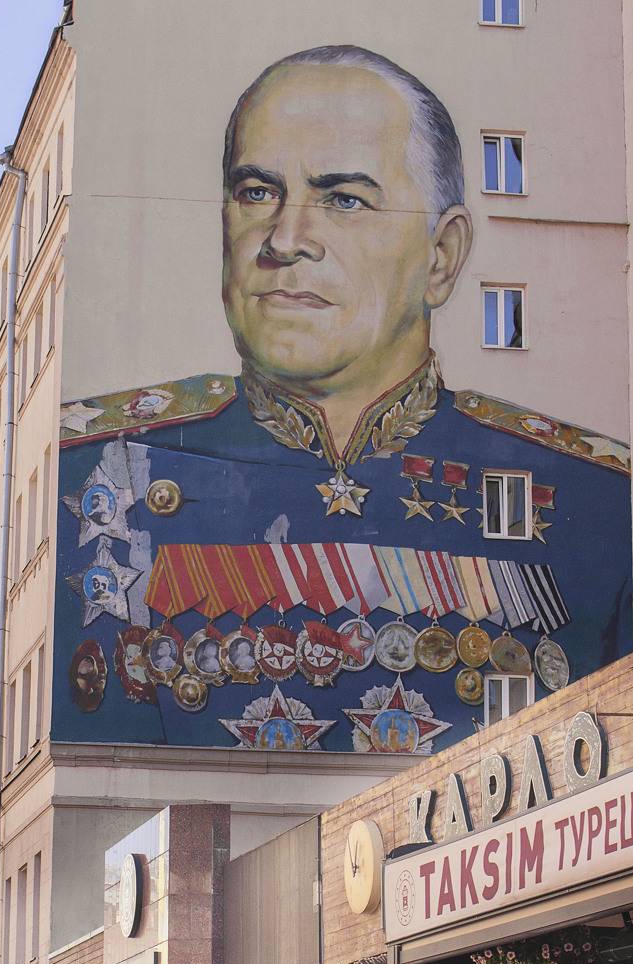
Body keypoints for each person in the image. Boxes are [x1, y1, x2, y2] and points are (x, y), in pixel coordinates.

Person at [57, 44, 631, 752]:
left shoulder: (598, 497)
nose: (284, 240)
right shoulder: (97, 469)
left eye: (344, 199)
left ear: (442, 256)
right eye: (256, 192)